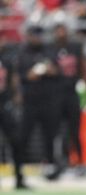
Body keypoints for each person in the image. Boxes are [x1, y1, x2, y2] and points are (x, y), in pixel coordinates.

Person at [16, 25, 62, 181]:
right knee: (24, 136)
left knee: (49, 135)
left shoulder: (49, 50)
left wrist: (50, 70)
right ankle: (19, 167)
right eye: (34, 35)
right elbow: (20, 76)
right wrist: (31, 75)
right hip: (30, 101)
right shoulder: (22, 53)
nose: (37, 38)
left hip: (48, 100)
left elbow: (58, 72)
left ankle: (51, 167)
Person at [52, 23, 86, 170]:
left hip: (72, 93)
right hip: (56, 95)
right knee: (57, 130)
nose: (61, 34)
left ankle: (79, 161)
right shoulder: (51, 49)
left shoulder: (75, 47)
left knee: (75, 129)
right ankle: (59, 162)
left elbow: (83, 68)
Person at [0, 33, 25, 189]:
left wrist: (16, 96)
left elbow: (14, 79)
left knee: (16, 140)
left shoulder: (7, 60)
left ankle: (19, 178)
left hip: (4, 103)